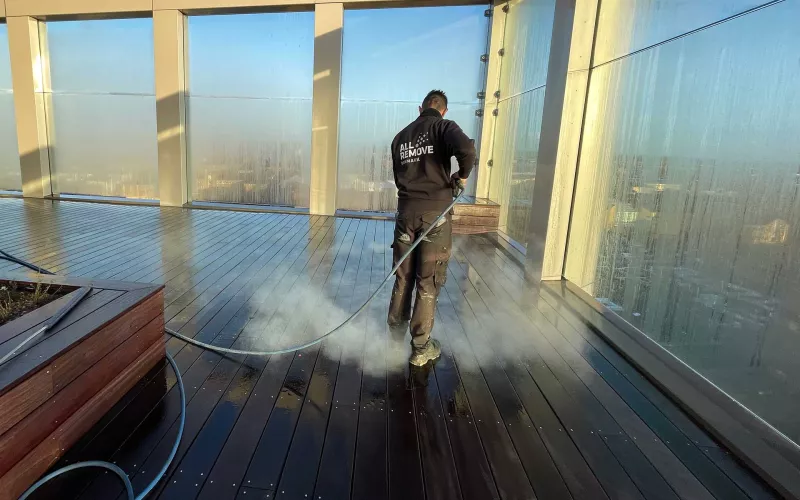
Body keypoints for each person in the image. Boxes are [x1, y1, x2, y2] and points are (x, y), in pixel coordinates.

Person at [387, 89, 476, 366]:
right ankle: (420, 348)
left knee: (403, 277)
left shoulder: (400, 137)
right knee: (428, 281)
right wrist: (461, 176)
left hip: (405, 214)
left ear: (420, 108)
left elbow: (399, 177)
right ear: (443, 110)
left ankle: (393, 342)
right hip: (435, 216)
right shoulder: (443, 127)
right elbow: (467, 151)